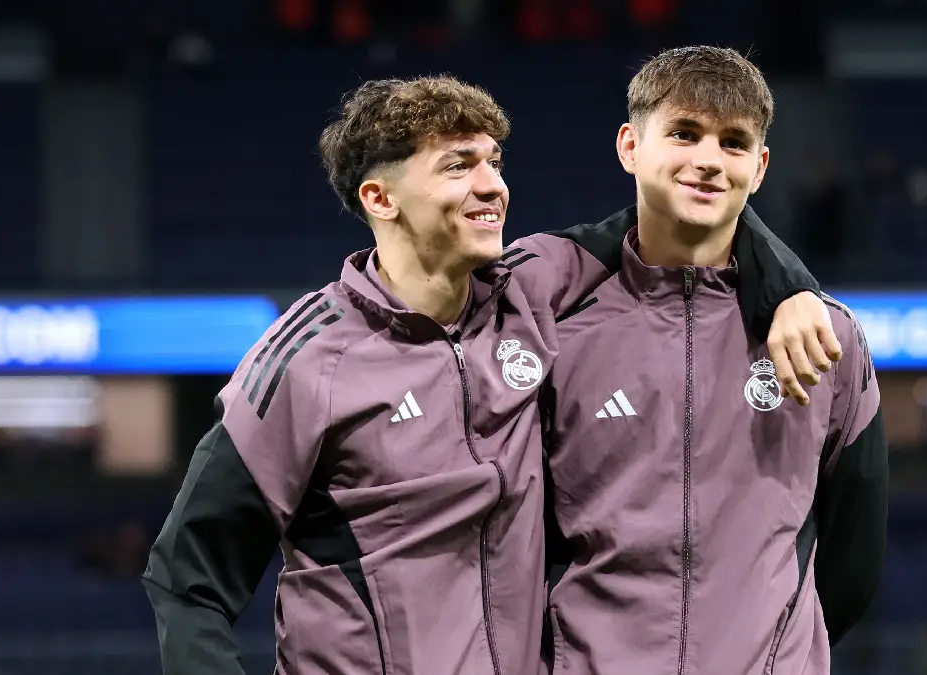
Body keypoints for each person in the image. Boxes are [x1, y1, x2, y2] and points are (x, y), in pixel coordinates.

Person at [140, 75, 834, 675]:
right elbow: (187, 578)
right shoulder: (308, 358)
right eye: (457, 165)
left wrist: (790, 285)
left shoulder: (532, 289)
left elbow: (678, 211)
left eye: (494, 161)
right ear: (381, 198)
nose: (492, 185)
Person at [541, 46, 889, 675]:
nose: (707, 160)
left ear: (759, 168)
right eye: (683, 133)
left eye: (733, 143)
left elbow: (855, 553)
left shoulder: (828, 339)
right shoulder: (554, 321)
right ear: (629, 147)